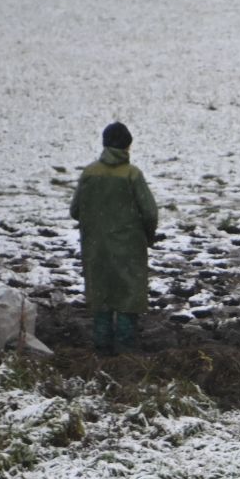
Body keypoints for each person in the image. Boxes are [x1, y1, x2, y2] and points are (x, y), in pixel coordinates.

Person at [70, 121, 159, 355]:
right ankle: (126, 350)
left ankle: (102, 349)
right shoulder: (131, 174)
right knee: (128, 296)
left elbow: (74, 210)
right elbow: (150, 212)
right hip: (128, 247)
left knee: (101, 296)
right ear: (128, 146)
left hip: (96, 247)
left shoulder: (90, 173)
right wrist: (147, 237)